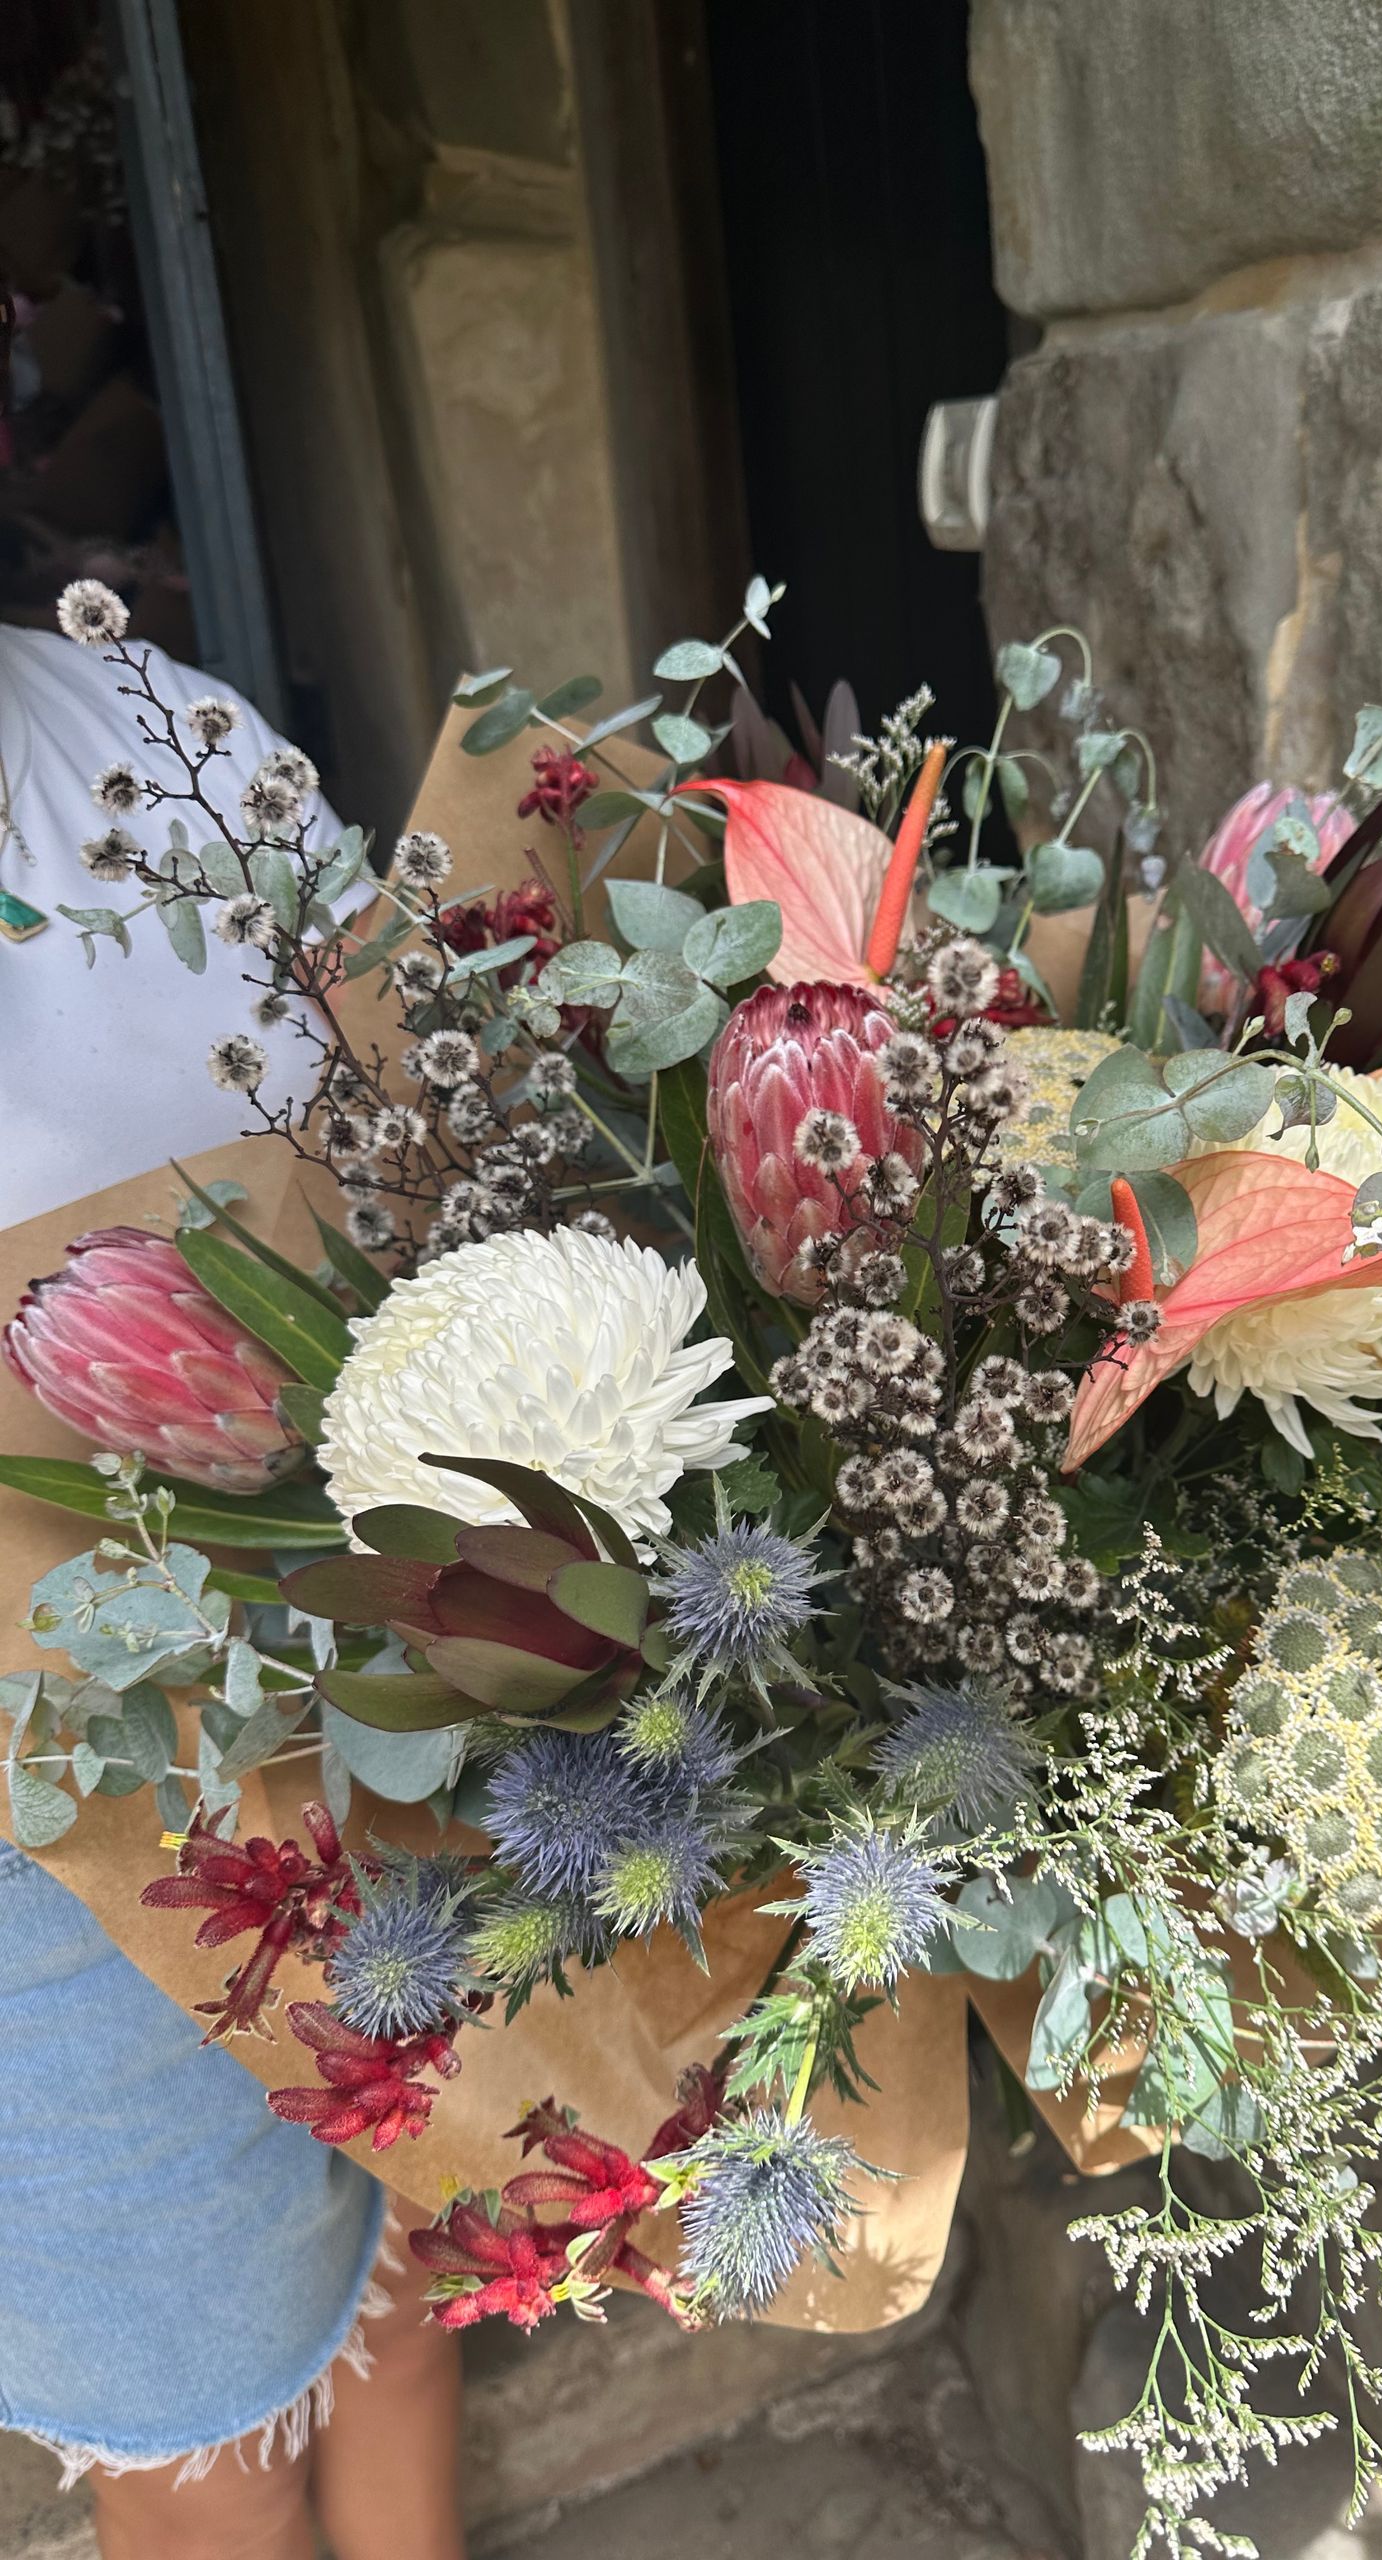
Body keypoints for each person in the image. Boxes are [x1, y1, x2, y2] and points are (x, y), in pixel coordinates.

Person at [0, 277, 467, 2560]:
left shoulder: (143, 727)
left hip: (376, 1678)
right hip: (42, 1836)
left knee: (420, 2263)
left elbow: (418, 1118)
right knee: (203, 2430)